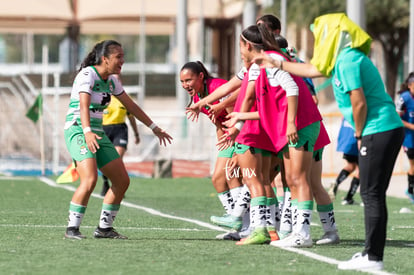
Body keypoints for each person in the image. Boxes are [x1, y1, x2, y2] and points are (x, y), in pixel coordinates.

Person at [255, 13, 404, 271]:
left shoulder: (348, 60)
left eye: (321, 34)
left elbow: (358, 102)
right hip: (378, 129)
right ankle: (370, 253)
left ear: (334, 35)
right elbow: (311, 70)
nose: (318, 39)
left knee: (371, 194)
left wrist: (358, 134)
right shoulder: (340, 60)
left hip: (378, 129)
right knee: (371, 194)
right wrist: (275, 63)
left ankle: (374, 258)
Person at [63, 40, 173, 240]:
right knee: (90, 179)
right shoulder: (87, 75)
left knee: (122, 181)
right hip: (78, 130)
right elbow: (83, 107)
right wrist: (87, 131)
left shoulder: (112, 81)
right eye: (118, 57)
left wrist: (154, 128)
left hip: (97, 131)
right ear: (105, 59)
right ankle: (72, 229)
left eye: (123, 56)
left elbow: (132, 107)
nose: (123, 60)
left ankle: (104, 229)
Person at [180, 61, 243, 222]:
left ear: (201, 76)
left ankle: (247, 222)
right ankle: (236, 221)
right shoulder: (197, 96)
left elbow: (235, 118)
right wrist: (223, 149)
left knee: (238, 176)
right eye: (182, 81)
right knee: (218, 179)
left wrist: (236, 150)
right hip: (230, 135)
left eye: (188, 80)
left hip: (244, 131)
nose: (185, 85)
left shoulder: (217, 88)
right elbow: (219, 123)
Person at [101, 88, 140, 197]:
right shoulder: (101, 97)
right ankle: (105, 182)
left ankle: (117, 186)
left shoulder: (124, 98)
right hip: (104, 130)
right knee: (107, 161)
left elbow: (131, 117)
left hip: (120, 130)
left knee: (117, 159)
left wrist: (136, 134)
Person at [329, 118, 360, 205]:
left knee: (351, 166)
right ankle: (348, 198)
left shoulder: (346, 112)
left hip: (346, 143)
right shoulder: (359, 109)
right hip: (356, 143)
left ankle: (336, 182)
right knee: (360, 171)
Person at [396, 72, 414, 204]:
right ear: (409, 86)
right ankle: (410, 191)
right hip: (409, 138)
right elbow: (397, 118)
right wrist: (411, 126)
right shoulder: (404, 98)